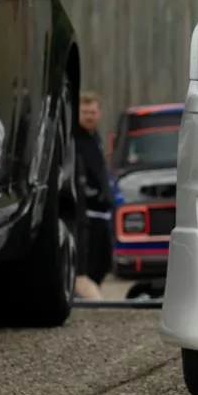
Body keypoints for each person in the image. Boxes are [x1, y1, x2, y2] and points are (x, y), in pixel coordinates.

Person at [73, 89, 113, 302]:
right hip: (87, 213)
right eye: (85, 112)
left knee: (104, 262)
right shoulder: (74, 140)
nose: (89, 117)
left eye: (92, 112)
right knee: (87, 264)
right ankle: (88, 298)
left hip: (102, 212)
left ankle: (91, 293)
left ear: (99, 113)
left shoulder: (95, 138)